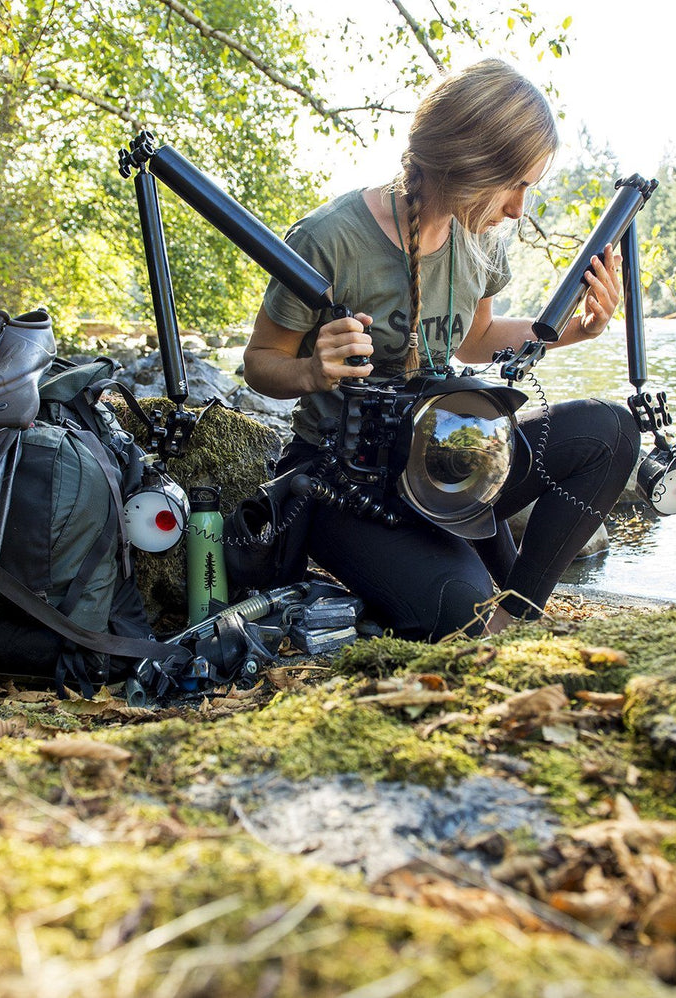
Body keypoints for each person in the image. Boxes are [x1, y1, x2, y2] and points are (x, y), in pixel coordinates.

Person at [243, 59, 640, 639]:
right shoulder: (330, 239)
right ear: (467, 162)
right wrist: (311, 370)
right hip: (341, 482)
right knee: (461, 611)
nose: (518, 209)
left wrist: (576, 329)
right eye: (514, 184)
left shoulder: (478, 237)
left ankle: (518, 614)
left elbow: (476, 340)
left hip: (443, 459)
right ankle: (453, 592)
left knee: (610, 432)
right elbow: (259, 363)